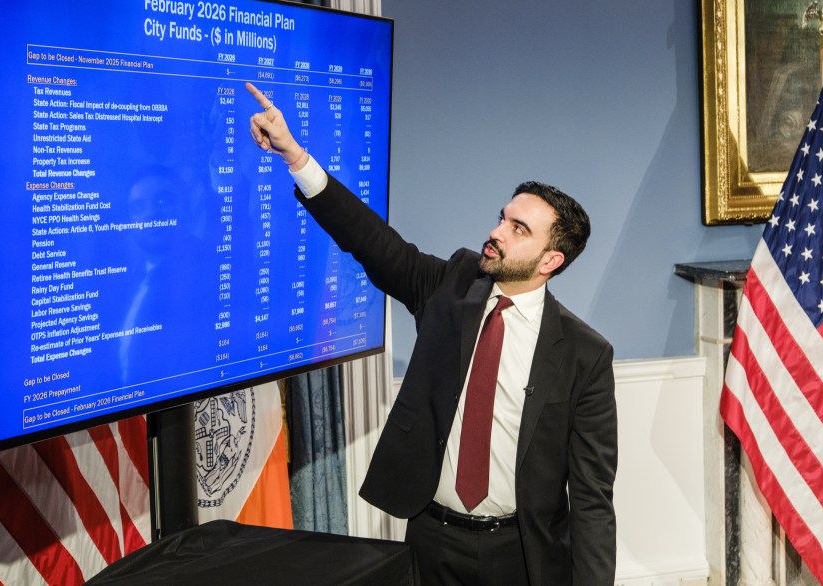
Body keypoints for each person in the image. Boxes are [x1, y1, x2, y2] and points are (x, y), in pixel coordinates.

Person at [245, 82, 617, 585]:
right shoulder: (453, 284)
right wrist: (296, 157)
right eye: (502, 218)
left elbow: (593, 496)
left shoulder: (584, 354)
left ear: (551, 261)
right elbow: (374, 244)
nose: (498, 233)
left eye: (519, 230)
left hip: (523, 555)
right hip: (431, 539)